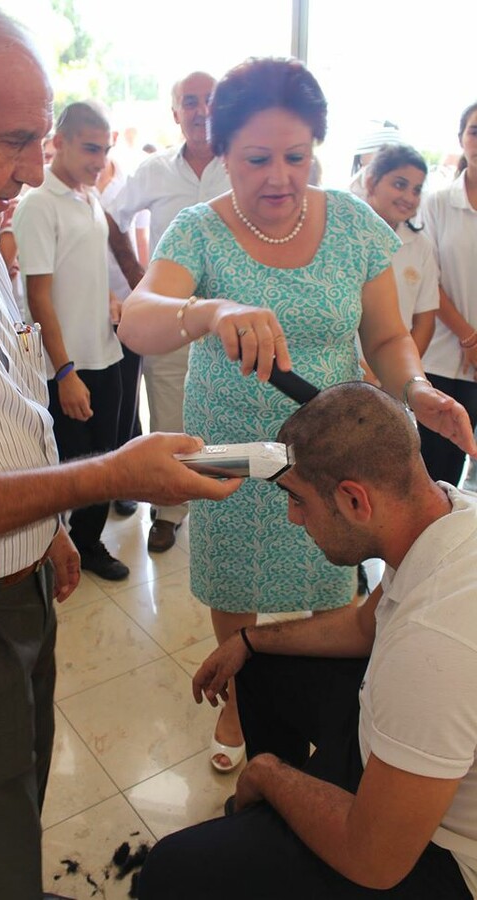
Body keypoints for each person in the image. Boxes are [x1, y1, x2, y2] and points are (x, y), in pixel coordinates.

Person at [0, 4, 242, 899]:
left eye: (43, 141)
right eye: (16, 140)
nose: (34, 169)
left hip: (11, 589)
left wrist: (47, 525)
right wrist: (108, 475)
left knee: (12, 793)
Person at [117, 57, 477, 775]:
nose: (279, 177)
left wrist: (417, 390)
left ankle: (314, 703)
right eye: (256, 159)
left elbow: (384, 336)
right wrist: (209, 310)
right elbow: (137, 320)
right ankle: (242, 695)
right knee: (236, 591)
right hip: (232, 454)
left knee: (327, 583)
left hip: (326, 458)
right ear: (220, 154)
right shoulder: (199, 231)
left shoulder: (350, 223)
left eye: (296, 156)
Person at [138, 381, 477, 900]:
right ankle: (284, 819)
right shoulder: (452, 516)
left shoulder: (432, 643)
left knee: (169, 873)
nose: (294, 518)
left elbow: (376, 860)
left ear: (354, 499)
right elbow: (367, 626)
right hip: (409, 767)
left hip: (440, 857)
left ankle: (282, 809)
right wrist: (249, 640)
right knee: (259, 665)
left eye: (298, 500)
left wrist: (270, 774)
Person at [107, 70, 230, 553]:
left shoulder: (242, 164)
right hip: (173, 320)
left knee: (233, 413)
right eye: (190, 102)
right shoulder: (153, 171)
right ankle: (170, 509)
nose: (201, 111)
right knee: (168, 415)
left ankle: (230, 504)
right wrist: (140, 283)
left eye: (210, 101)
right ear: (175, 113)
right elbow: (112, 218)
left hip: (234, 319)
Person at [13, 102, 131, 581]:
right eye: (89, 148)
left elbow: (84, 266)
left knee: (108, 456)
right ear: (57, 142)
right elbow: (38, 297)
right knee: (75, 466)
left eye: (104, 150)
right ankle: (67, 546)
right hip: (69, 364)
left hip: (107, 351)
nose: (99, 160)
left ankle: (88, 543)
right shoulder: (39, 202)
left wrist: (108, 299)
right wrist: (64, 373)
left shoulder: (88, 195)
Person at [417, 101, 477, 486]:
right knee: (437, 476)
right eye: (474, 131)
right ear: (461, 139)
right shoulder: (437, 202)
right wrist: (469, 338)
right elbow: (428, 278)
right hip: (442, 359)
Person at [96, 130, 151, 518]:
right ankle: (103, 476)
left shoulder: (129, 181)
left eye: (100, 144)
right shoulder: (67, 188)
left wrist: (143, 294)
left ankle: (127, 481)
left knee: (129, 394)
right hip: (86, 307)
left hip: (126, 303)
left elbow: (143, 241)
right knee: (103, 395)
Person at [363, 144, 439, 357]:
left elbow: (425, 320)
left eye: (416, 190)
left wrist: (404, 374)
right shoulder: (344, 234)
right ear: (371, 182)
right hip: (344, 369)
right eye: (399, 184)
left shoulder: (420, 246)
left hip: (392, 375)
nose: (409, 197)